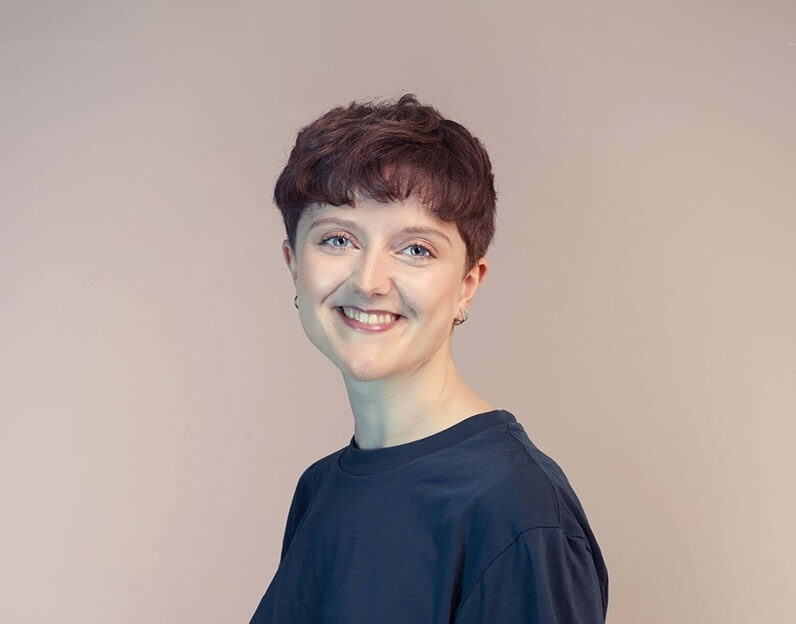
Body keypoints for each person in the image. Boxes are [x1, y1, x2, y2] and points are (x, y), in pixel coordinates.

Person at [250, 95, 608, 623]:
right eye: (338, 239)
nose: (369, 281)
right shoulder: (319, 489)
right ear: (294, 264)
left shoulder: (517, 511)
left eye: (416, 249)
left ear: (467, 285)